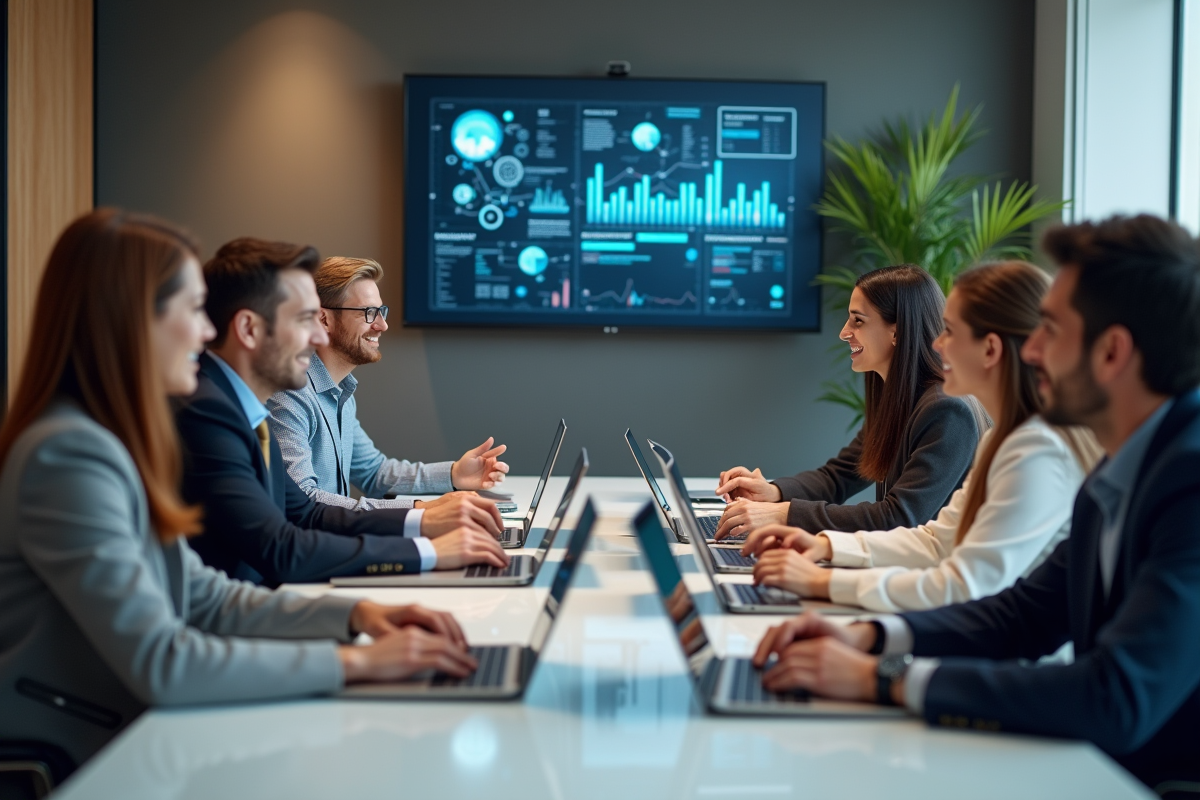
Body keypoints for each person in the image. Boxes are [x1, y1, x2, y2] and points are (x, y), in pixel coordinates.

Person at [0, 209, 479, 769]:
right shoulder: (70, 454)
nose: (208, 332)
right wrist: (357, 663)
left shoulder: (113, 438)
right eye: (193, 311)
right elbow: (161, 660)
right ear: (131, 321)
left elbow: (200, 593)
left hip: (135, 725)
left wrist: (357, 617)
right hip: (88, 747)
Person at [751, 215, 1200, 789]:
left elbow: (1114, 694)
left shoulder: (1186, 484)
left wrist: (883, 678)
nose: (1030, 350)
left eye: (1051, 331)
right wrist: (868, 638)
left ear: (1112, 352)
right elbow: (1022, 616)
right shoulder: (1120, 471)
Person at [741, 261, 1100, 611]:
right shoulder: (1002, 439)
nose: (937, 343)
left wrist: (823, 581)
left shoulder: (1031, 447)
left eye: (950, 331)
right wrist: (825, 546)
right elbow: (937, 542)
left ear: (990, 349)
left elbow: (963, 581)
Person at [175, 238, 509, 586]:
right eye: (306, 319)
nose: (319, 336)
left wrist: (428, 513)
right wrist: (426, 538)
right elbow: (285, 543)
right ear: (248, 329)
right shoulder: (218, 410)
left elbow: (308, 509)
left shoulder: (247, 408)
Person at [714, 264, 984, 540]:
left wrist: (784, 513)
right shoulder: (898, 398)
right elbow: (838, 476)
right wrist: (774, 492)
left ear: (897, 332)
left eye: (858, 320)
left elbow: (899, 517)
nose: (844, 332)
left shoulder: (947, 410)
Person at [267, 256, 508, 511]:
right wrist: (422, 509)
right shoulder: (289, 396)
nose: (382, 325)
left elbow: (374, 472)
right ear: (324, 319)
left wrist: (455, 473)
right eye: (368, 313)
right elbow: (304, 500)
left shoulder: (340, 393)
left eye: (381, 311)